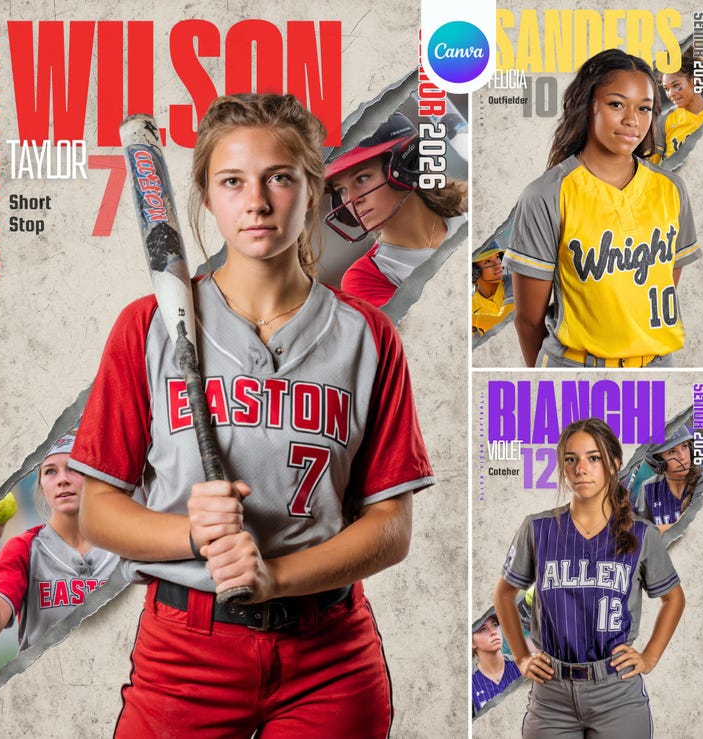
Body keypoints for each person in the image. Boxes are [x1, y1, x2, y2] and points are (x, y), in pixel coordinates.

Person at [70, 93, 434, 738]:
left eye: (280, 178)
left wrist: (276, 578)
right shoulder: (147, 328)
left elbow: (391, 527)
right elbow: (97, 509)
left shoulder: (368, 336)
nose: (257, 202)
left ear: (313, 188)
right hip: (185, 652)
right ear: (208, 198)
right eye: (232, 181)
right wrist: (192, 535)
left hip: (330, 655)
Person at [505, 49, 701, 368]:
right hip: (574, 367)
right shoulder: (545, 194)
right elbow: (528, 319)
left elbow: (663, 282)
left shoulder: (672, 189)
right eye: (616, 104)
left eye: (645, 108)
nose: (631, 121)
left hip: (657, 366)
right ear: (587, 105)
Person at [493, 418, 685, 737]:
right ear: (563, 467)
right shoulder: (537, 529)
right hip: (550, 693)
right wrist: (523, 657)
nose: (581, 468)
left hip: (617, 693)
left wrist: (649, 657)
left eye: (593, 458)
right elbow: (503, 595)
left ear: (614, 464)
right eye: (571, 459)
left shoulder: (641, 534)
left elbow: (673, 597)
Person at [0, 433, 117, 651]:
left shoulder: (126, 545)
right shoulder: (24, 549)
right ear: (42, 486)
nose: (62, 479)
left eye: (74, 467)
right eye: (50, 471)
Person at [325, 111, 467, 307]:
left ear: (409, 163)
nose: (351, 201)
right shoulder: (367, 277)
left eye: (362, 178)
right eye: (341, 190)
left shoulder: (472, 213)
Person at [634, 425, 703, 533]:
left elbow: (692, 529)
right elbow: (639, 534)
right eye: (672, 452)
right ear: (657, 461)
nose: (682, 456)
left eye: (684, 446)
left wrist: (652, 532)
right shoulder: (649, 488)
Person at [652, 47, 703, 162]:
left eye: (676, 85)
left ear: (692, 81)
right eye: (666, 88)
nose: (671, 93)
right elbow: (652, 168)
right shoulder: (663, 122)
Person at [471, 611, 522, 717]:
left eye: (495, 625)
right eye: (483, 629)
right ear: (472, 643)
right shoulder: (470, 685)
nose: (493, 631)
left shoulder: (522, 665)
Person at [472, 243, 514, 337]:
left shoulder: (513, 283)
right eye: (488, 261)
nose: (498, 265)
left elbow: (504, 322)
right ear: (474, 271)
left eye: (497, 257)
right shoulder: (471, 304)